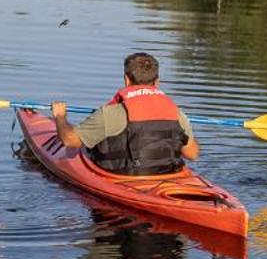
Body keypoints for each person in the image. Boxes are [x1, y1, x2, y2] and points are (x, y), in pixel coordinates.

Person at [50, 51, 199, 175]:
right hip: (168, 176)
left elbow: (69, 140)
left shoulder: (110, 113)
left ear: (126, 80)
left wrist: (60, 116)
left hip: (124, 178)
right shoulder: (176, 113)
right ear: (157, 82)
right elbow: (192, 154)